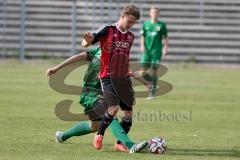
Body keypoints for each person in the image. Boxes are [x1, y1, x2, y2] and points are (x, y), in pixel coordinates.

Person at [46, 47, 151, 153]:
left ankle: (62, 136)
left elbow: (130, 72)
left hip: (105, 94)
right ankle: (130, 145)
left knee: (93, 126)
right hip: (90, 93)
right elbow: (77, 57)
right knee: (110, 115)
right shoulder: (98, 50)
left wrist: (146, 83)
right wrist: (56, 68)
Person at [81, 4, 144, 150]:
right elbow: (87, 42)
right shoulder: (107, 29)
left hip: (123, 78)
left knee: (128, 116)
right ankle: (99, 134)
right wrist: (85, 41)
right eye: (129, 21)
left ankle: (119, 144)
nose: (131, 25)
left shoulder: (130, 36)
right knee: (113, 109)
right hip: (107, 76)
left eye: (133, 23)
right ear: (122, 16)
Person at [140, 6, 169, 100]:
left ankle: (152, 93)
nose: (154, 14)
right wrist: (142, 45)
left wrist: (165, 48)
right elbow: (142, 36)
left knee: (153, 71)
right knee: (142, 72)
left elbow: (165, 37)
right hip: (147, 51)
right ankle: (153, 84)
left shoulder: (162, 25)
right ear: (150, 13)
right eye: (153, 12)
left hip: (156, 51)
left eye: (156, 12)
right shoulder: (146, 24)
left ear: (158, 14)